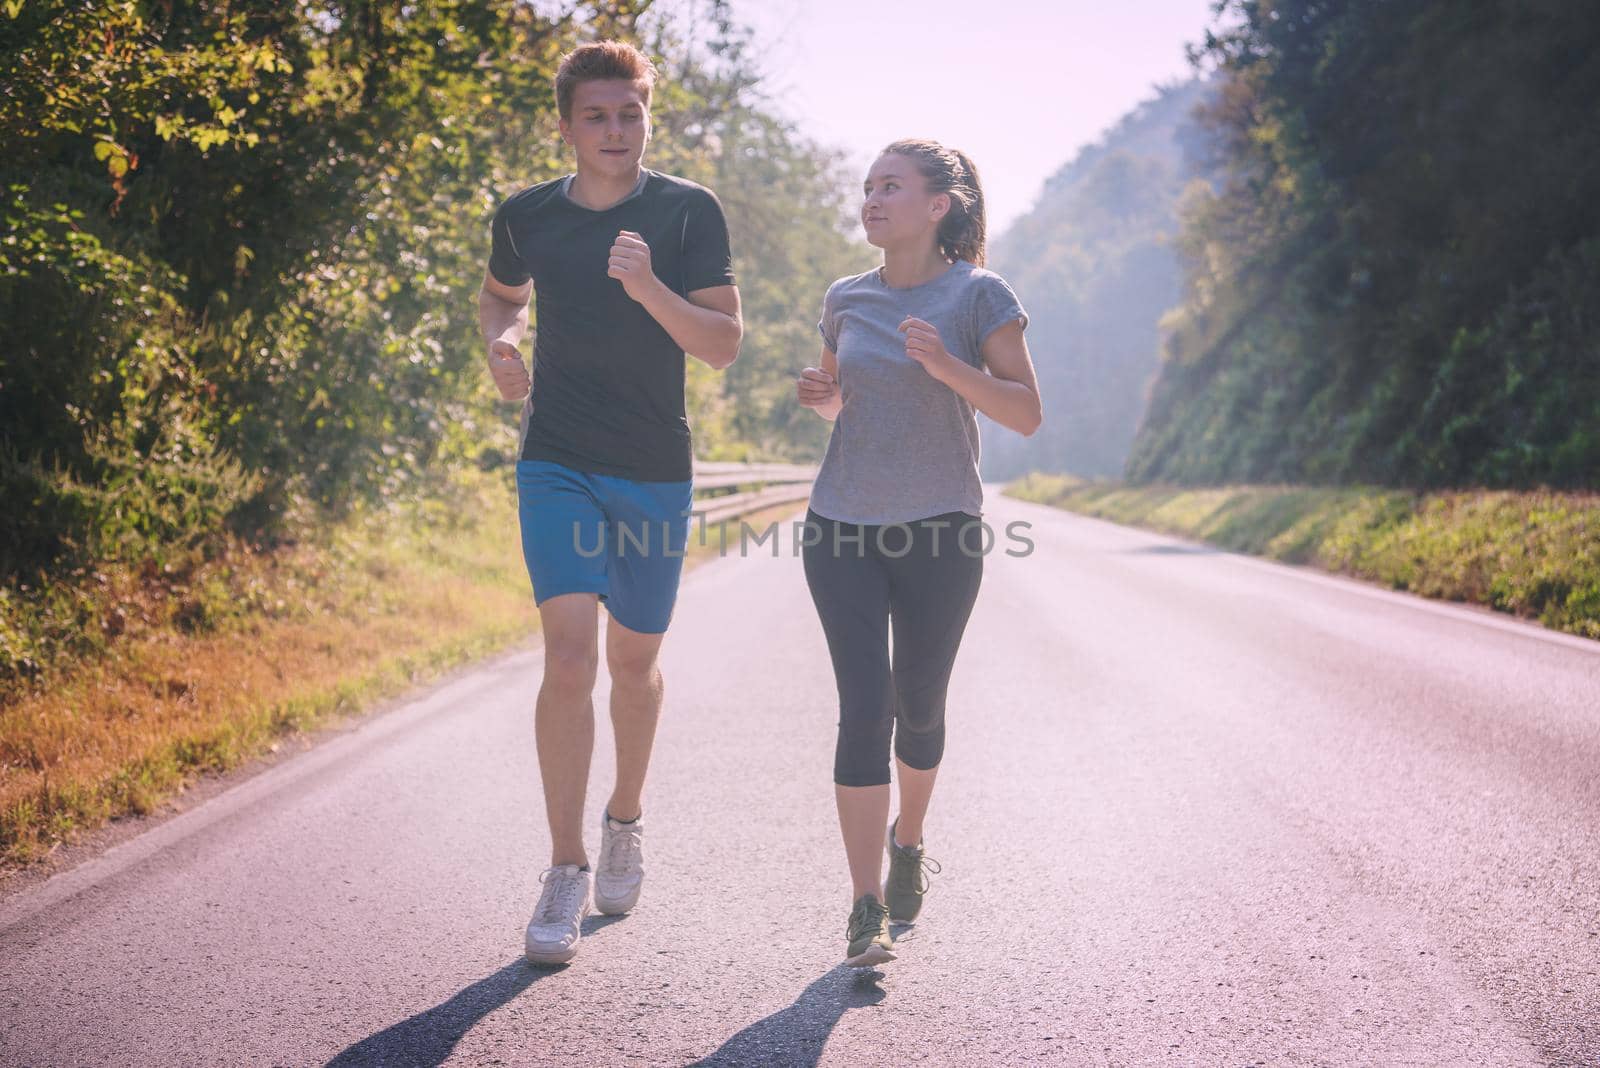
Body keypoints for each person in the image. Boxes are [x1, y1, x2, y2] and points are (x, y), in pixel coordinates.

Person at [477, 40, 742, 966]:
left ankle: (625, 814)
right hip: (556, 459)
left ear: (646, 117)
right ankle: (564, 866)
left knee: (634, 666)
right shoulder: (527, 216)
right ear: (566, 126)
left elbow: (721, 344)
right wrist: (503, 346)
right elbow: (499, 297)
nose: (616, 130)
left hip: (653, 468)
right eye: (597, 115)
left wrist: (646, 286)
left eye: (630, 113)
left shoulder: (684, 212)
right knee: (565, 657)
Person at [795, 139, 1042, 967]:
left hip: (941, 528)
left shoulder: (979, 295)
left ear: (939, 205)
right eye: (868, 186)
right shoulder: (845, 297)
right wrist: (826, 397)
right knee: (863, 705)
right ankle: (864, 905)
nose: (873, 198)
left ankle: (910, 839)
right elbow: (841, 407)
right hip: (841, 525)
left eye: (891, 186)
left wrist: (946, 366)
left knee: (918, 706)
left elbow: (1025, 413)